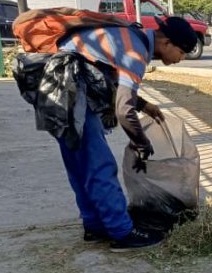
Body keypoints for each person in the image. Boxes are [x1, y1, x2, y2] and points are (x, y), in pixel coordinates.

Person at [56, 16, 198, 251]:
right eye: (182, 53)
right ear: (167, 43)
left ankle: (95, 225)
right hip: (72, 91)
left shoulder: (131, 37)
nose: (180, 59)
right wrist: (141, 142)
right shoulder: (136, 51)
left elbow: (109, 77)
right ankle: (122, 232)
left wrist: (143, 105)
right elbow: (123, 110)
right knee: (100, 166)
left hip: (54, 89)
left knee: (80, 164)